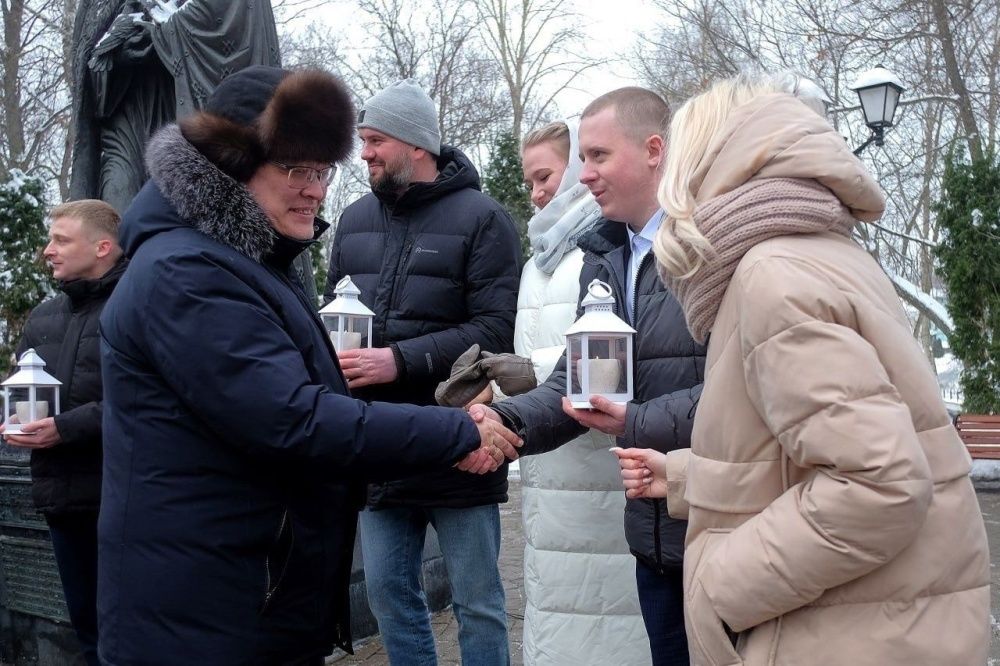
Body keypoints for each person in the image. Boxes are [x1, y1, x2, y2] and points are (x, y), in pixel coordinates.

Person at [96, 66, 521, 666]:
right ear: (228, 168)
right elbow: (290, 419)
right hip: (201, 609)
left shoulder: (241, 260)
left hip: (241, 592)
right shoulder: (187, 272)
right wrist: (455, 428)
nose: (316, 190)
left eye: (322, 171)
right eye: (296, 169)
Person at [613, 72, 990, 665]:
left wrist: (719, 585)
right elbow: (815, 449)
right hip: (888, 619)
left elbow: (879, 483)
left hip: (844, 633)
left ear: (705, 163)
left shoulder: (774, 275)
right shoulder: (822, 251)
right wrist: (688, 477)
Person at [470, 87, 706, 665]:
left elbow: (747, 384)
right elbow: (581, 386)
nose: (587, 174)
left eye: (599, 156)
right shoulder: (605, 256)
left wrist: (636, 420)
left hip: (715, 534)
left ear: (655, 150)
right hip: (650, 538)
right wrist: (500, 422)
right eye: (585, 159)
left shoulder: (708, 246)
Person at [325, 79, 521, 666]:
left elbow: (494, 331)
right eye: (363, 142)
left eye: (376, 140)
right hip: (379, 445)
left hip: (462, 440)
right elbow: (335, 311)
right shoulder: (354, 220)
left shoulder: (484, 219)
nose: (365, 154)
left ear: (415, 144)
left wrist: (399, 360)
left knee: (477, 602)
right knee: (389, 599)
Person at [513, 120, 650, 665]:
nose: (536, 192)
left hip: (605, 469)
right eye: (528, 182)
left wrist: (522, 374)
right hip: (551, 472)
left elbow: (620, 356)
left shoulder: (611, 246)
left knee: (608, 618)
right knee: (555, 609)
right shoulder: (537, 262)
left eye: (545, 176)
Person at [0, 200, 126, 666]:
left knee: (134, 634)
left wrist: (64, 429)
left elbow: (152, 403)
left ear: (102, 246)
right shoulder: (43, 316)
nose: (48, 250)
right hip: (62, 499)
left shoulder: (137, 305)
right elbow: (18, 390)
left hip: (125, 497)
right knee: (90, 635)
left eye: (61, 240)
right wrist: (14, 419)